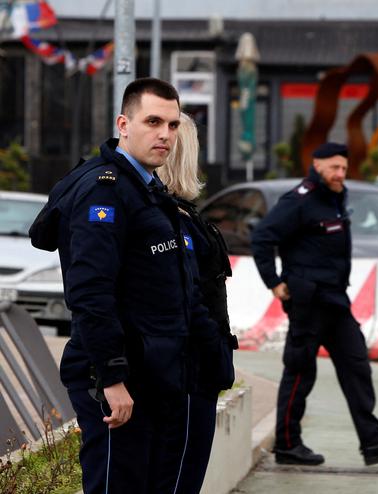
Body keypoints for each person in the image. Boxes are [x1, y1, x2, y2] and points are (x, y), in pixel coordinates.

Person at [29, 78, 230, 493]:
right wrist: (112, 379)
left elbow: (181, 290)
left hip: (158, 380)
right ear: (124, 124)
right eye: (153, 121)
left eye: (173, 125)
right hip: (117, 386)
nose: (165, 135)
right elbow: (91, 295)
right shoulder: (102, 192)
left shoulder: (151, 192)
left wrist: (213, 359)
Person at [251, 142, 378, 466]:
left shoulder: (335, 196)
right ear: (317, 165)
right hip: (308, 301)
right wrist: (274, 282)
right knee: (300, 372)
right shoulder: (300, 200)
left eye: (344, 168)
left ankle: (373, 441)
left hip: (336, 300)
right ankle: (287, 444)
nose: (341, 174)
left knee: (357, 366)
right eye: (334, 168)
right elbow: (262, 237)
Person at [156, 112, 238, 492]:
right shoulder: (173, 217)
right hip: (191, 369)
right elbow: (188, 297)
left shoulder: (181, 214)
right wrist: (217, 354)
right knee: (180, 480)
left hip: (192, 367)